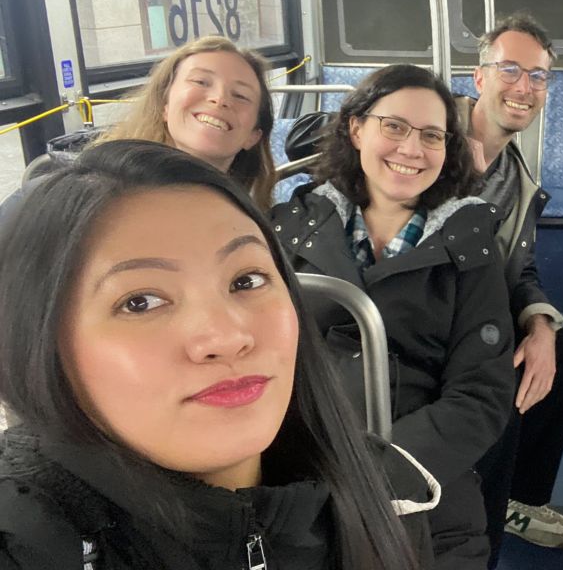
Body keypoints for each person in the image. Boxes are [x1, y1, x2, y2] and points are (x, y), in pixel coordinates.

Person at [0, 140, 437, 569]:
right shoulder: (26, 535)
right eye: (141, 302)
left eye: (246, 280)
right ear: (43, 343)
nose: (227, 337)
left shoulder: (384, 490)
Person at [270, 64, 515, 570]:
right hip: (297, 472)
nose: (411, 149)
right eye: (394, 126)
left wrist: (365, 476)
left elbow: (481, 395)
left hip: (421, 483)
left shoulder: (470, 247)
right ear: (357, 128)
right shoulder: (293, 230)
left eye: (431, 135)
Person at [457, 12, 563, 555]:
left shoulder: (515, 174)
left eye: (538, 77)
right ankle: (476, 525)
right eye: (510, 69)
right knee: (501, 382)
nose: (525, 87)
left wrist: (539, 325)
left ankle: (512, 497)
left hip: (480, 314)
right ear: (479, 77)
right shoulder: (425, 140)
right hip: (426, 323)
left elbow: (520, 269)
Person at [0, 36, 278, 221]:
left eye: (241, 96)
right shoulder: (68, 198)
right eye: (201, 82)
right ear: (165, 105)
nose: (219, 99)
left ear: (254, 135)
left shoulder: (245, 221)